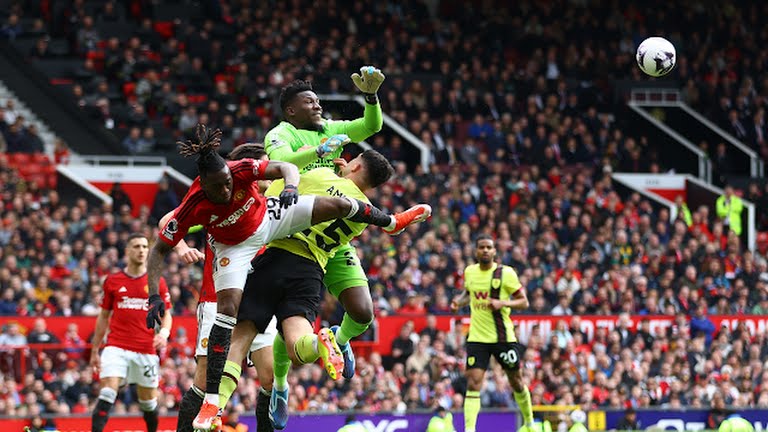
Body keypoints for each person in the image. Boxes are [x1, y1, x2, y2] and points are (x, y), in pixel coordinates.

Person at [146, 125, 429, 430]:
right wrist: (182, 248)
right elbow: (167, 226)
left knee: (260, 366)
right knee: (221, 369)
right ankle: (216, 404)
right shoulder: (204, 203)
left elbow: (291, 173)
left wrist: (302, 179)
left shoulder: (259, 190)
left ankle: (225, 403)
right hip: (243, 282)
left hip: (270, 262)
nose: (228, 190)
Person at [221, 150, 430, 430]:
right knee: (296, 336)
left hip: (288, 250)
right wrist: (390, 220)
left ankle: (215, 404)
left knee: (360, 312)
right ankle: (288, 379)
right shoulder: (365, 210)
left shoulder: (318, 168)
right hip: (315, 263)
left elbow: (277, 191)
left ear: (356, 165)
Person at [264, 66, 385, 380]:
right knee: (293, 318)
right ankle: (280, 385)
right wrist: (317, 152)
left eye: (317, 100)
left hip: (330, 233)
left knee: (363, 312)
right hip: (295, 230)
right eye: (309, 101)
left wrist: (371, 98)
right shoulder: (280, 134)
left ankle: (340, 341)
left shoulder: (329, 128)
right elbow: (281, 163)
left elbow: (371, 126)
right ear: (291, 110)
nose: (317, 105)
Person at [166, 143, 277, 432]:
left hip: (258, 301)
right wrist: (181, 248)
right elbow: (168, 220)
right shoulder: (216, 203)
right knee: (205, 379)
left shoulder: (268, 203)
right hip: (217, 298)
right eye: (264, 166)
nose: (268, 172)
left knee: (270, 377)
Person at [90, 233, 172, 432]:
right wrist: (95, 350)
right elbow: (103, 317)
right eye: (136, 246)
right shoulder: (113, 281)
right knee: (107, 392)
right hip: (116, 346)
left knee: (148, 403)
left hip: (145, 349)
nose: (141, 250)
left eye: (144, 246)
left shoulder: (157, 282)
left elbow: (167, 314)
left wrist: (164, 333)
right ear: (127, 251)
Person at [450, 235, 533, 432]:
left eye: (489, 247)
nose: (485, 250)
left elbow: (524, 302)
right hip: (477, 338)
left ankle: (529, 423)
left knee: (516, 381)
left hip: (503, 337)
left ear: (495, 251)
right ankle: (470, 429)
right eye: (482, 247)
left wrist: (502, 303)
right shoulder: (470, 272)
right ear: (476, 251)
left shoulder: (506, 273)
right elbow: (469, 294)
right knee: (474, 382)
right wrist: (458, 302)